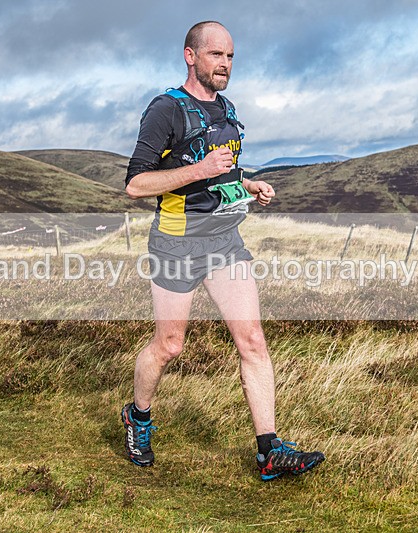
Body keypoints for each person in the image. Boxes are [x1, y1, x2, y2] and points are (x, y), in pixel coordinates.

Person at [122, 21, 325, 480]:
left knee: (252, 340)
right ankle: (138, 417)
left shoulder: (227, 109)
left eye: (231, 56)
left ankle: (269, 451)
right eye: (216, 55)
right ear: (190, 56)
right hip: (176, 242)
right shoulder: (165, 110)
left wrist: (247, 184)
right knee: (170, 346)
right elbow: (135, 184)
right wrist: (198, 171)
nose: (226, 65)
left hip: (224, 240)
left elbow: (223, 173)